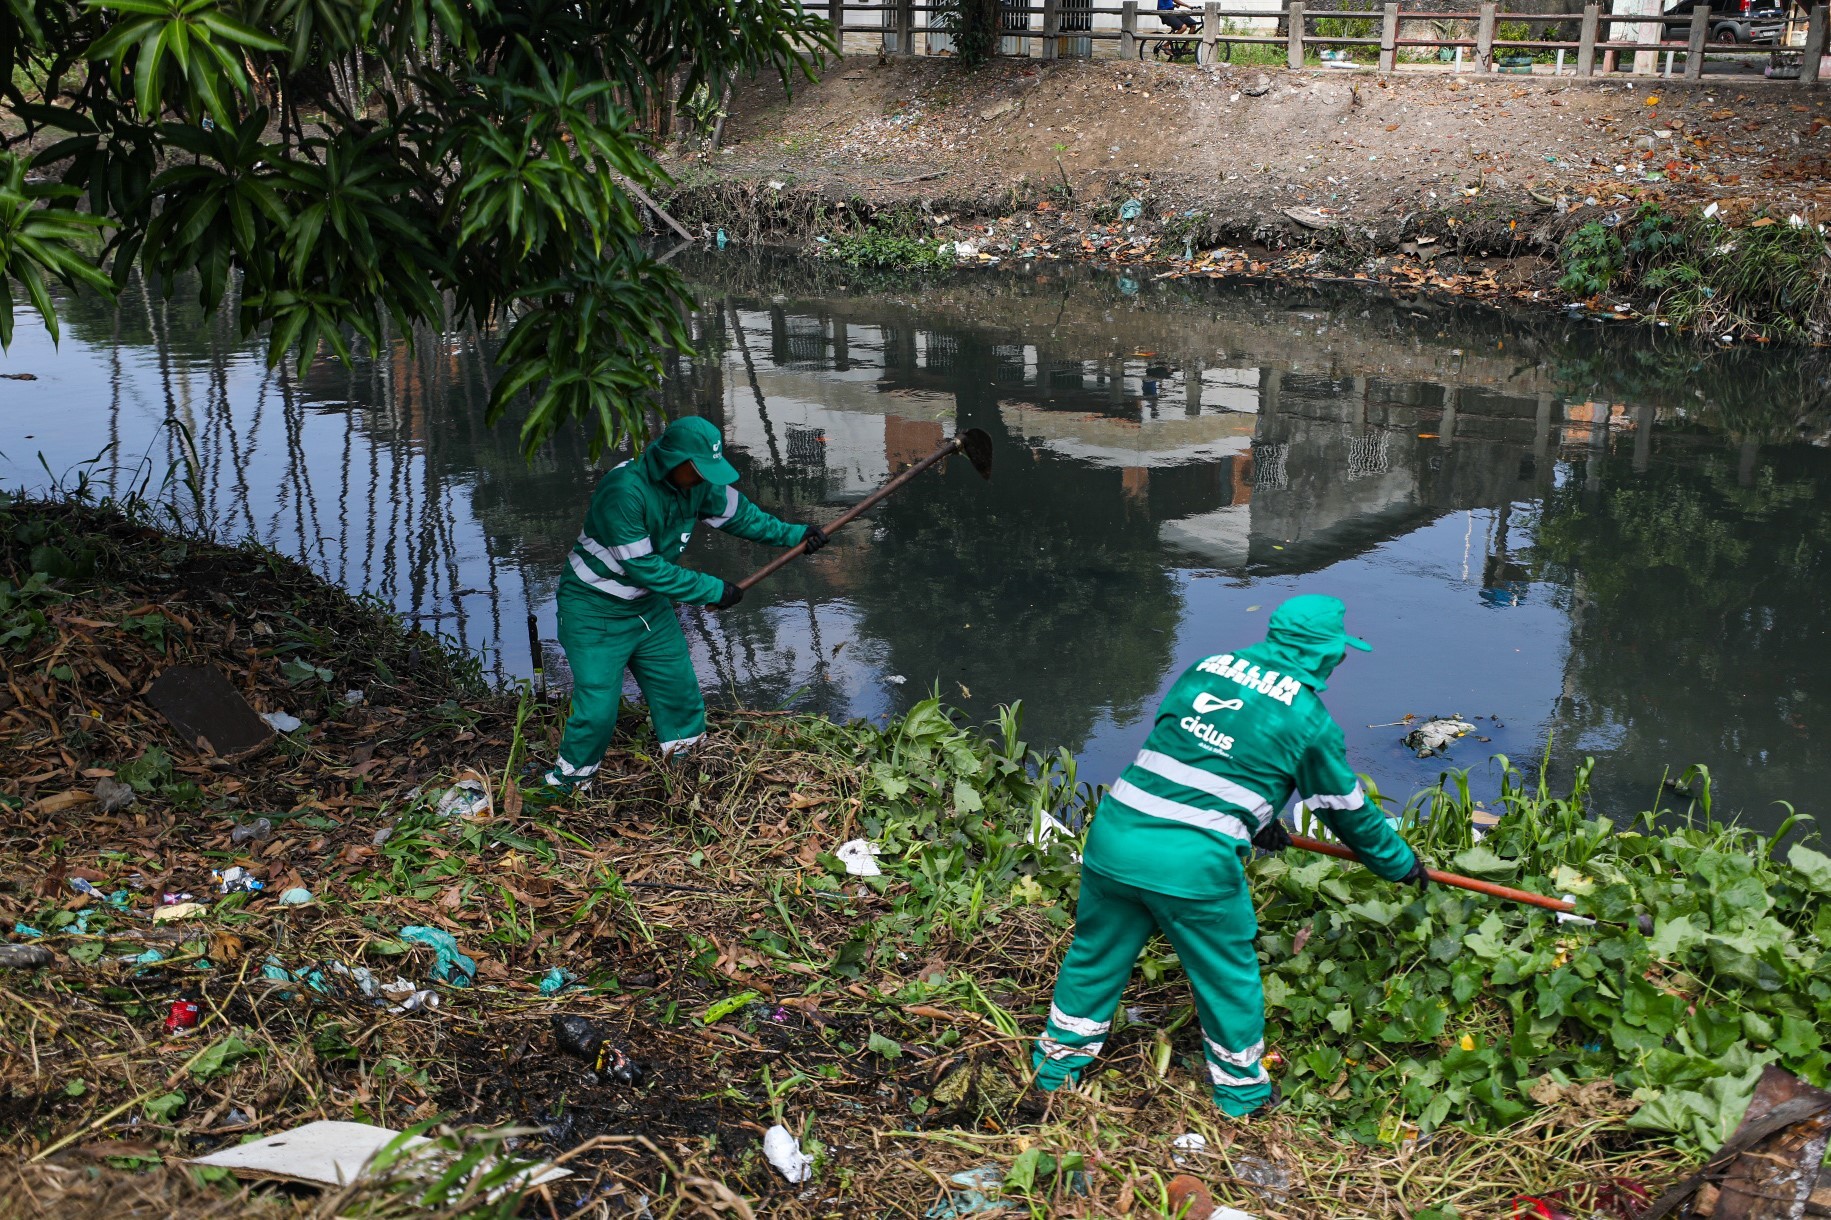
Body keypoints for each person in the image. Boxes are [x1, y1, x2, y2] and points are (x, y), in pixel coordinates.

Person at [1031, 594, 1426, 1117]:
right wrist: (1399, 864)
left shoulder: (1207, 668)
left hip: (1116, 834)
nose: (1341, 659)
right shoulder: (1310, 720)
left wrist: (1256, 819)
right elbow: (1344, 810)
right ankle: (1242, 1094)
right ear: (1324, 651)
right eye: (1340, 650)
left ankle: (1056, 1065)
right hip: (1191, 864)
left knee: (1097, 952)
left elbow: (1193, 750)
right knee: (1226, 973)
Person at [542, 416, 826, 793]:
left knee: (678, 691)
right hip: (595, 611)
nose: (707, 479)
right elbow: (644, 569)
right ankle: (567, 787)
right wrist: (712, 589)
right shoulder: (624, 491)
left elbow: (743, 517)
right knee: (596, 709)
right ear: (674, 461)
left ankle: (688, 773)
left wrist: (796, 535)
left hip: (648, 608)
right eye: (700, 470)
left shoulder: (695, 485)